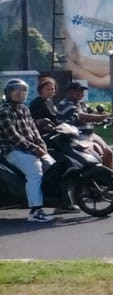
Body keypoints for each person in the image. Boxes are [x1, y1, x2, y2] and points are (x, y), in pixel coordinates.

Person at [2, 79, 55, 223]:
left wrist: (41, 144)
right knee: (35, 171)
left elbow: (34, 130)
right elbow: (14, 137)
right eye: (16, 90)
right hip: (13, 151)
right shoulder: (4, 111)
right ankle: (35, 211)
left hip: (29, 149)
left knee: (53, 165)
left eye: (23, 90)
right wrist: (35, 148)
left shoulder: (24, 109)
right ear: (8, 93)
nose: (20, 94)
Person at [56, 80, 113, 168]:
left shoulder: (81, 104)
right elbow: (84, 116)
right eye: (77, 90)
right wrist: (106, 116)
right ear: (69, 92)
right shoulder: (66, 104)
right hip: (75, 137)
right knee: (95, 156)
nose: (80, 93)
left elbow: (94, 113)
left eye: (82, 91)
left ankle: (108, 177)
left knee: (108, 153)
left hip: (89, 135)